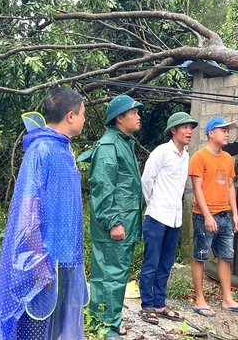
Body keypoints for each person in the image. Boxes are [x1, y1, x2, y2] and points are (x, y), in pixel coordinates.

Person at [0, 87, 87, 340]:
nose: (86, 119)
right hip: (43, 261)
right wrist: (39, 264)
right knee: (34, 327)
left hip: (64, 259)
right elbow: (28, 213)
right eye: (84, 114)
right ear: (70, 116)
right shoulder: (41, 150)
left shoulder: (64, 150)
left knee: (57, 325)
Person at [82, 95, 143, 339]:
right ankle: (105, 327)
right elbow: (103, 187)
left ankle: (108, 321)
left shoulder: (123, 142)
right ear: (119, 118)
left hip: (124, 223)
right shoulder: (109, 146)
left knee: (114, 275)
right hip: (115, 225)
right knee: (110, 275)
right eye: (134, 113)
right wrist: (113, 222)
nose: (138, 117)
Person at [138, 112, 199, 325]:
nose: (189, 131)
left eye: (191, 128)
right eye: (185, 127)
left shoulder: (186, 156)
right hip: (156, 216)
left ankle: (159, 304)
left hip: (175, 219)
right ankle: (146, 306)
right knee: (151, 263)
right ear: (173, 130)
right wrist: (153, 204)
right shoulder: (162, 152)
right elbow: (147, 179)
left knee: (166, 263)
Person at [188, 117, 238, 317]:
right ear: (211, 133)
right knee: (200, 257)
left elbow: (231, 187)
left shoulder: (226, 158)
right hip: (204, 216)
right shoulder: (199, 157)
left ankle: (227, 299)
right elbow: (196, 188)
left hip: (225, 215)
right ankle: (199, 300)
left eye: (227, 130)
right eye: (223, 130)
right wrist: (207, 215)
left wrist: (235, 213)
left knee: (225, 257)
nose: (227, 134)